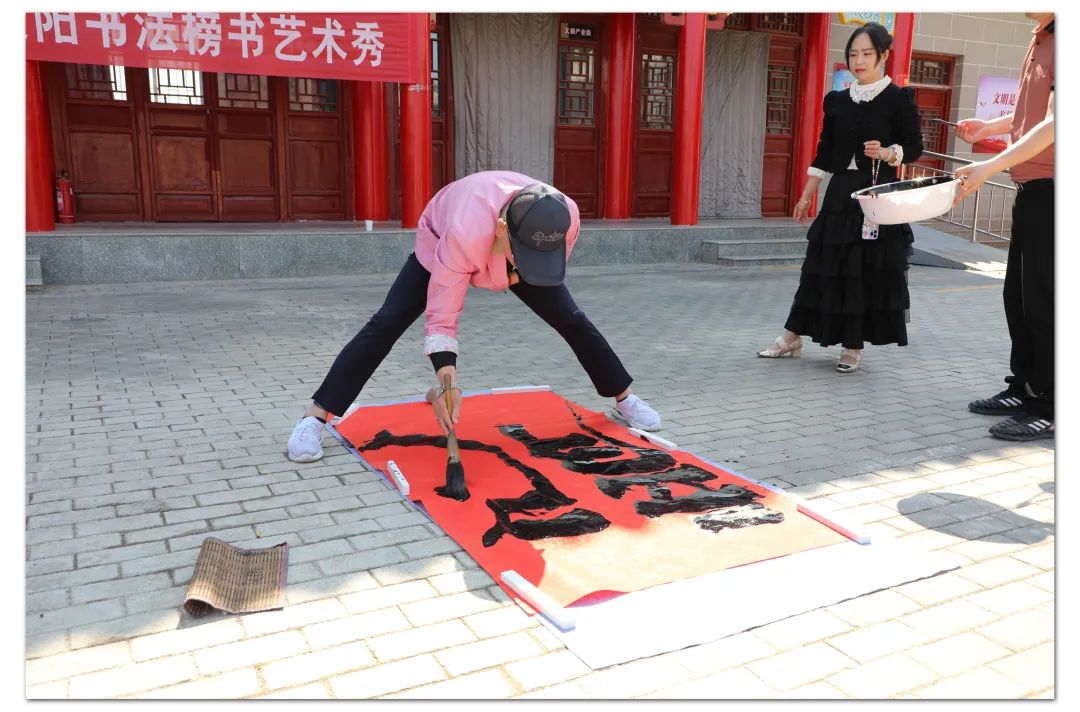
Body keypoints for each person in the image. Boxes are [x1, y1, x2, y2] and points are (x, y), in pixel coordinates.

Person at [286, 171, 662, 462]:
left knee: (572, 319)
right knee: (387, 321)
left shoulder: (564, 216)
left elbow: (554, 260)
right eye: (516, 255)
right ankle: (315, 416)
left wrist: (521, 269)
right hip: (441, 240)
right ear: (501, 231)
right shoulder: (463, 232)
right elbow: (443, 314)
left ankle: (624, 397)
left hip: (522, 250)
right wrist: (447, 378)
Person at [756, 22, 923, 373]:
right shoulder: (837, 101)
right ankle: (792, 335)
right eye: (852, 53)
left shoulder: (898, 99)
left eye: (866, 53)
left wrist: (890, 152)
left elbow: (914, 148)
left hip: (876, 196)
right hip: (839, 196)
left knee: (862, 271)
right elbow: (823, 153)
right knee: (821, 269)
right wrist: (805, 197)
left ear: (883, 56)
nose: (858, 60)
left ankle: (852, 345)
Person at [953, 13, 1054, 441]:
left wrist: (990, 165)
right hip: (1031, 188)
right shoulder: (1042, 37)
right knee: (1020, 296)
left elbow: (1058, 123)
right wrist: (989, 128)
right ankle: (1024, 386)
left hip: (1056, 188)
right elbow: (1030, 112)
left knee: (1047, 302)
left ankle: (1049, 404)